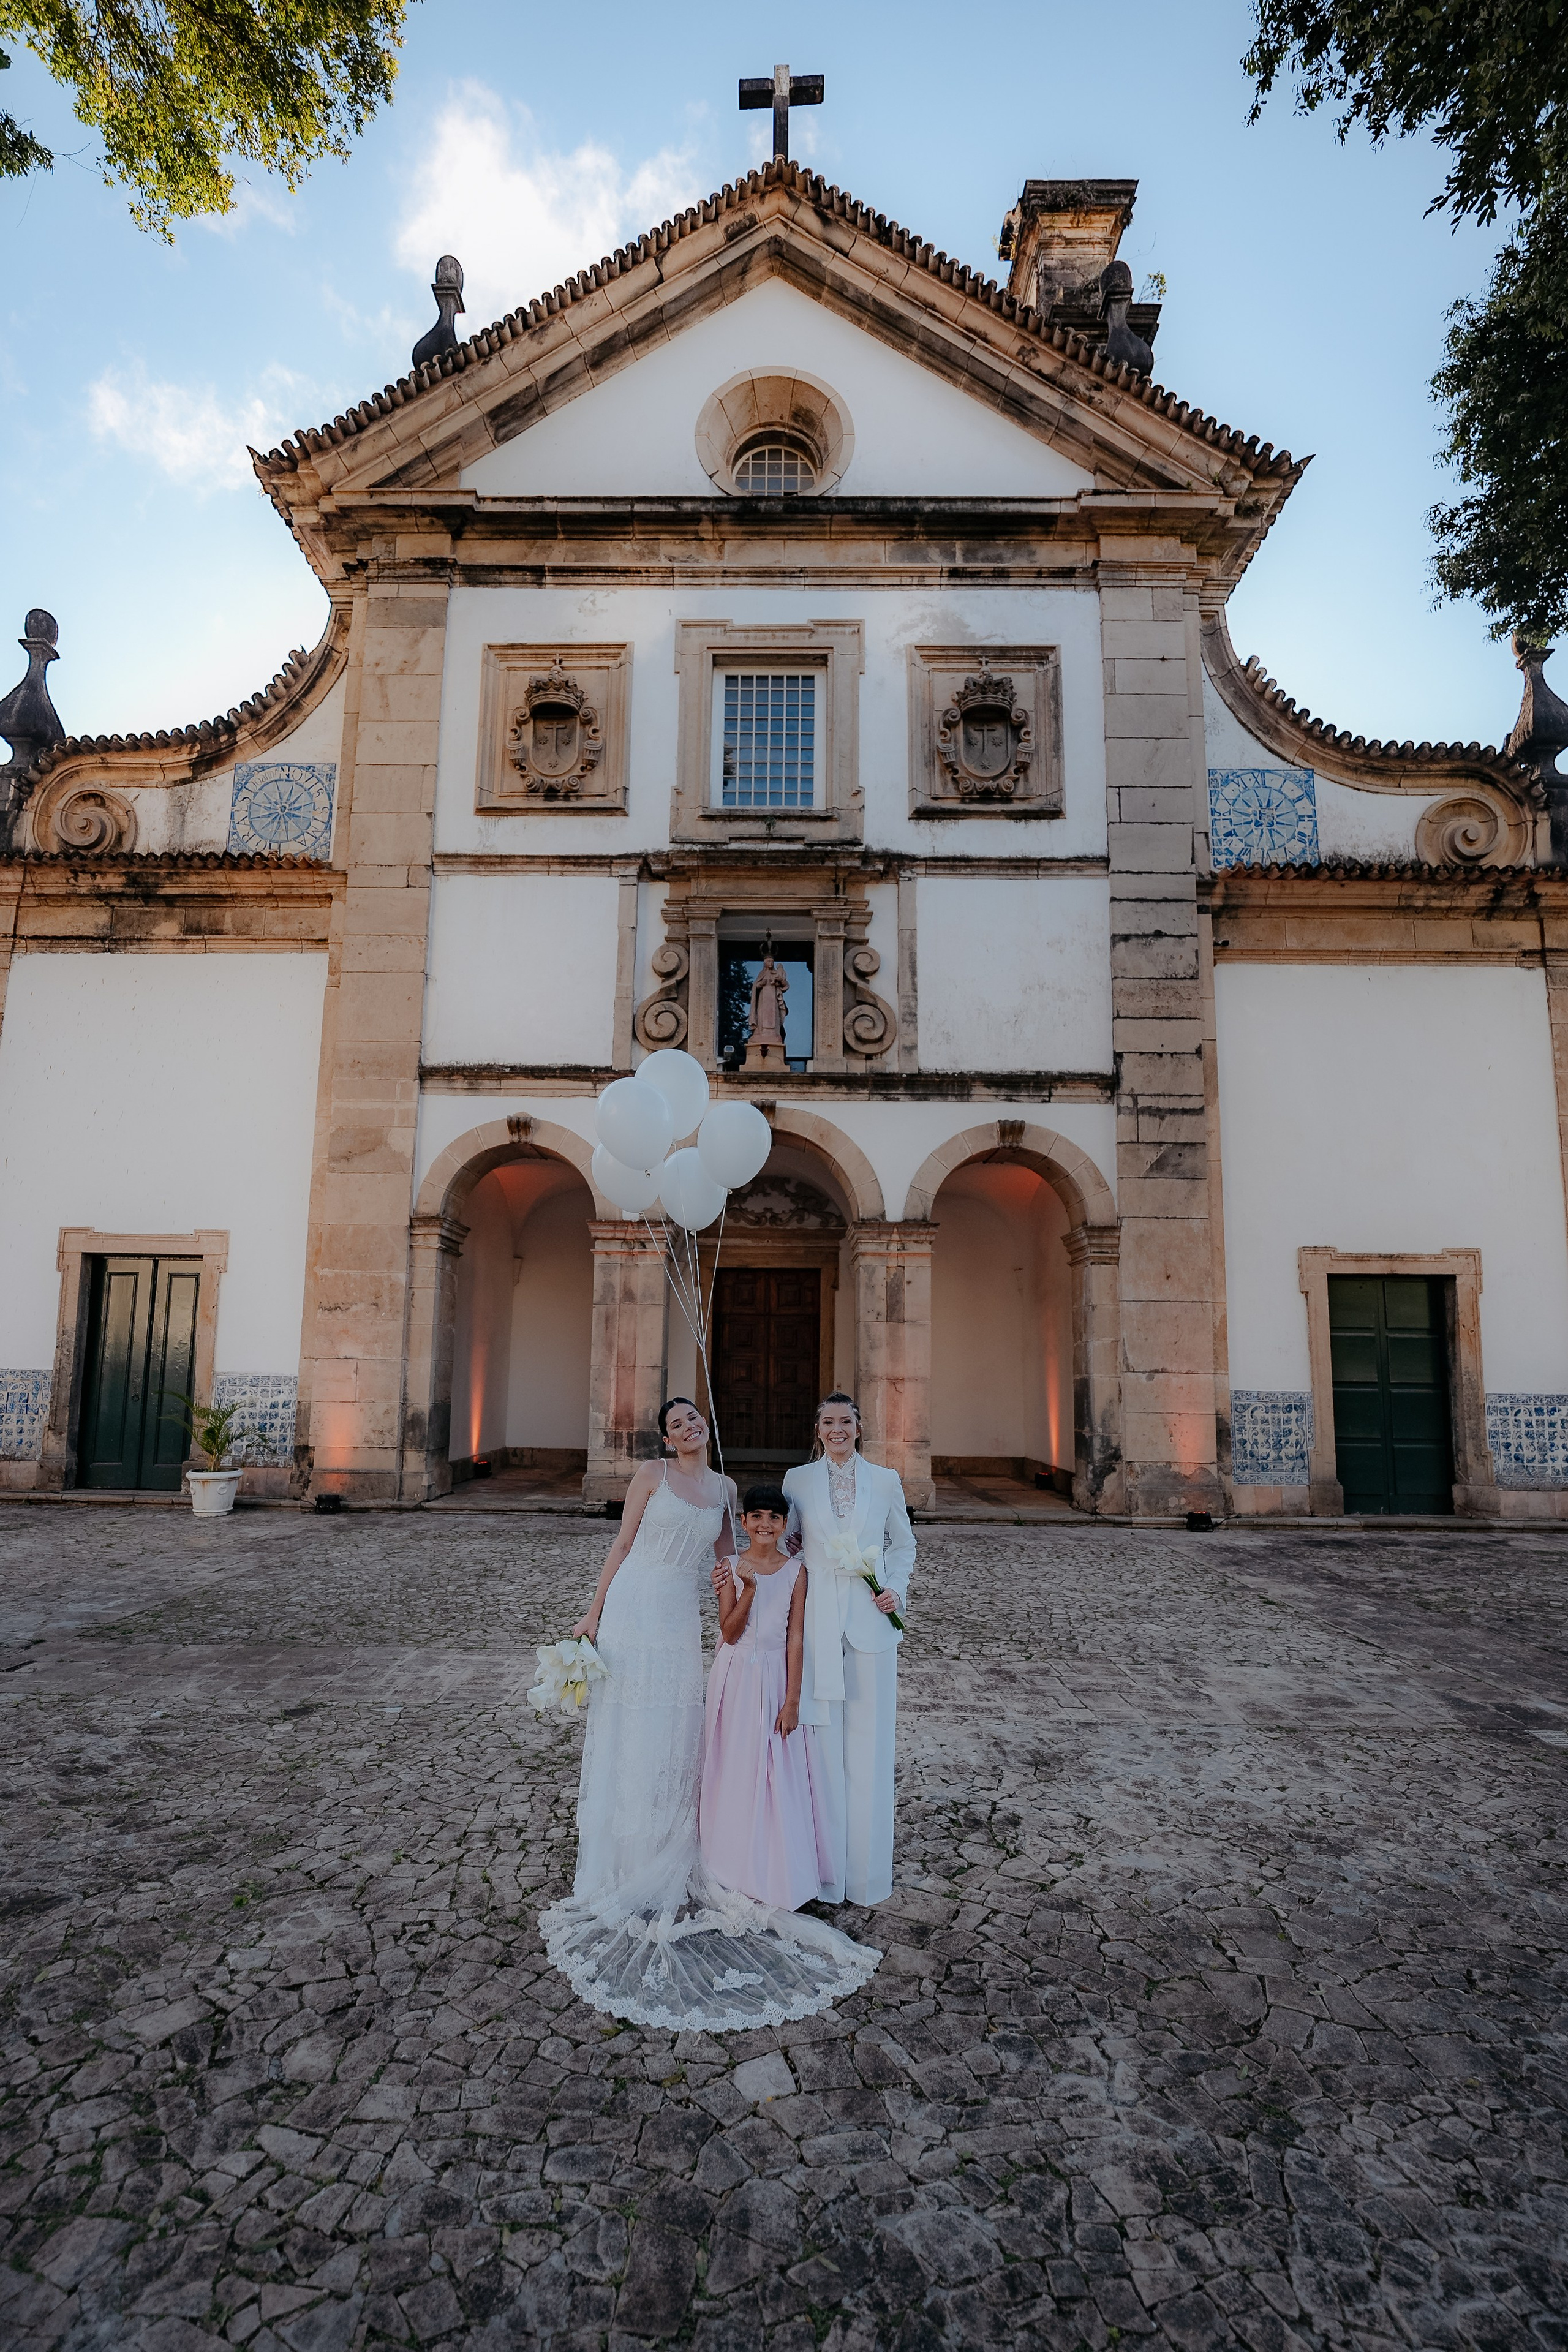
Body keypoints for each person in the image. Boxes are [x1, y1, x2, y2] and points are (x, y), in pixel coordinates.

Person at [538, 1398, 879, 2031]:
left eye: (694, 1419)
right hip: (636, 1599)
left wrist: (773, 1553)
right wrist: (592, 1613)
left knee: (673, 1724)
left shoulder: (724, 1486)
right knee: (631, 1722)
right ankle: (625, 1849)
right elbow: (621, 1545)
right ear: (667, 1442)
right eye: (677, 1425)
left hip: (675, 1612)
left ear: (705, 1427)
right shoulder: (650, 1477)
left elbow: (730, 1553)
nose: (689, 1428)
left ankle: (670, 1830)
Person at [783, 1392, 915, 1909]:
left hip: (871, 1623)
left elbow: (903, 1544)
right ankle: (824, 1873)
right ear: (818, 1430)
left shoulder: (886, 1480)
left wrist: (896, 1589)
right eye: (828, 1422)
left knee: (872, 1746)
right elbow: (789, 1545)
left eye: (846, 1422)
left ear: (859, 1428)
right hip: (817, 1622)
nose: (837, 1430)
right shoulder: (798, 1481)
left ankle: (866, 1876)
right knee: (821, 1749)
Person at [698, 1483, 832, 1911]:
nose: (765, 1524)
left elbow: (795, 1636)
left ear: (784, 1524)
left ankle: (773, 1860)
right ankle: (729, 1860)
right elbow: (730, 1633)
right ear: (743, 1522)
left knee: (776, 1766)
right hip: (735, 1676)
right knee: (735, 1762)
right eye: (756, 1516)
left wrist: (792, 1699)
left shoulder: (797, 1572)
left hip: (776, 1675)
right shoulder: (730, 1566)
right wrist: (748, 1589)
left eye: (774, 1518)